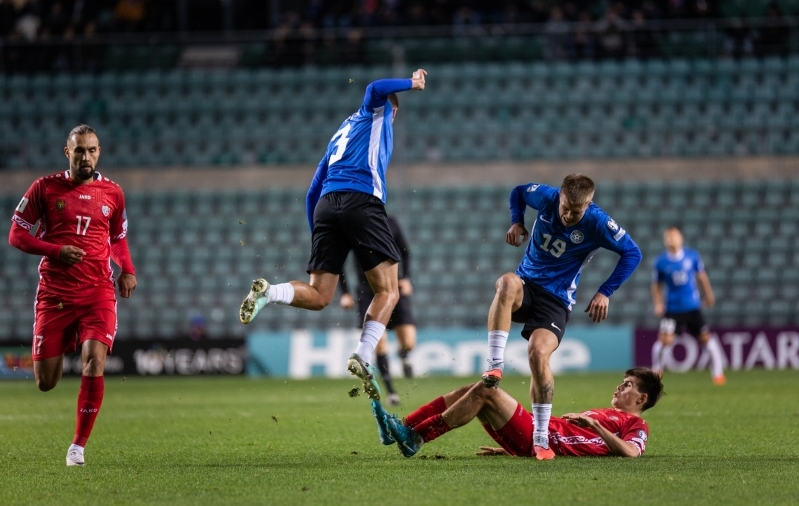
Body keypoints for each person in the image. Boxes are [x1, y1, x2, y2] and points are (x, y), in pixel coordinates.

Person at [239, 69, 427, 400]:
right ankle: (363, 355)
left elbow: (312, 192)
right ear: (393, 111)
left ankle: (271, 292)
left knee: (320, 295)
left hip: (326, 205)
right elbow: (375, 87)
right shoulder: (377, 110)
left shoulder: (340, 134)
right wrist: (413, 83)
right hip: (362, 200)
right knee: (389, 291)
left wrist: (322, 238)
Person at [480, 174, 642, 460]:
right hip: (526, 286)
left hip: (556, 300)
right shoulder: (547, 196)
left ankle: (541, 437)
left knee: (537, 355)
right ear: (561, 196)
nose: (567, 215)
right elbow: (518, 191)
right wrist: (517, 220)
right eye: (565, 207)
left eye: (575, 211)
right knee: (506, 282)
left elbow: (632, 253)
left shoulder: (598, 222)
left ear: (589, 204)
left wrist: (605, 291)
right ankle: (495, 364)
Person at [8, 125, 137, 466]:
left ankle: (77, 447)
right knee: (45, 382)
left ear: (100, 152)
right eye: (79, 150)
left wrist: (127, 269)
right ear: (68, 152)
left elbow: (118, 238)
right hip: (55, 296)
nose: (86, 156)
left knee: (94, 362)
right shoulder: (45, 188)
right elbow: (16, 234)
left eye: (92, 150)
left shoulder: (113, 193)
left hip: (98, 292)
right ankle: (64, 341)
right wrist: (54, 251)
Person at [372, 368, 663, 459]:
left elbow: (632, 453)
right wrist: (505, 448)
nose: (619, 387)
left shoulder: (636, 423)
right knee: (472, 389)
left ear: (641, 398)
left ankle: (416, 437)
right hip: (537, 435)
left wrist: (594, 426)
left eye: (627, 385)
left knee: (488, 390)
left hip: (544, 438)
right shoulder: (604, 412)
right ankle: (403, 426)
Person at [339, 214, 416, 406]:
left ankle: (404, 357)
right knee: (379, 344)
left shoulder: (391, 223)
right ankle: (391, 392)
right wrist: (345, 293)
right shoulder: (353, 226)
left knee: (408, 342)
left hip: (393, 286)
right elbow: (338, 260)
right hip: (367, 292)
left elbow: (405, 251)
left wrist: (405, 277)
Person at [651, 225, 725, 385]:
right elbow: (656, 285)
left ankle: (718, 373)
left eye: (674, 236)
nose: (671, 239)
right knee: (664, 341)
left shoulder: (692, 256)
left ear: (681, 238)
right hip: (672, 309)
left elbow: (702, 277)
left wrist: (709, 295)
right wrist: (658, 303)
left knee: (706, 338)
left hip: (692, 306)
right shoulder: (660, 262)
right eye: (668, 236)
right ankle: (656, 372)